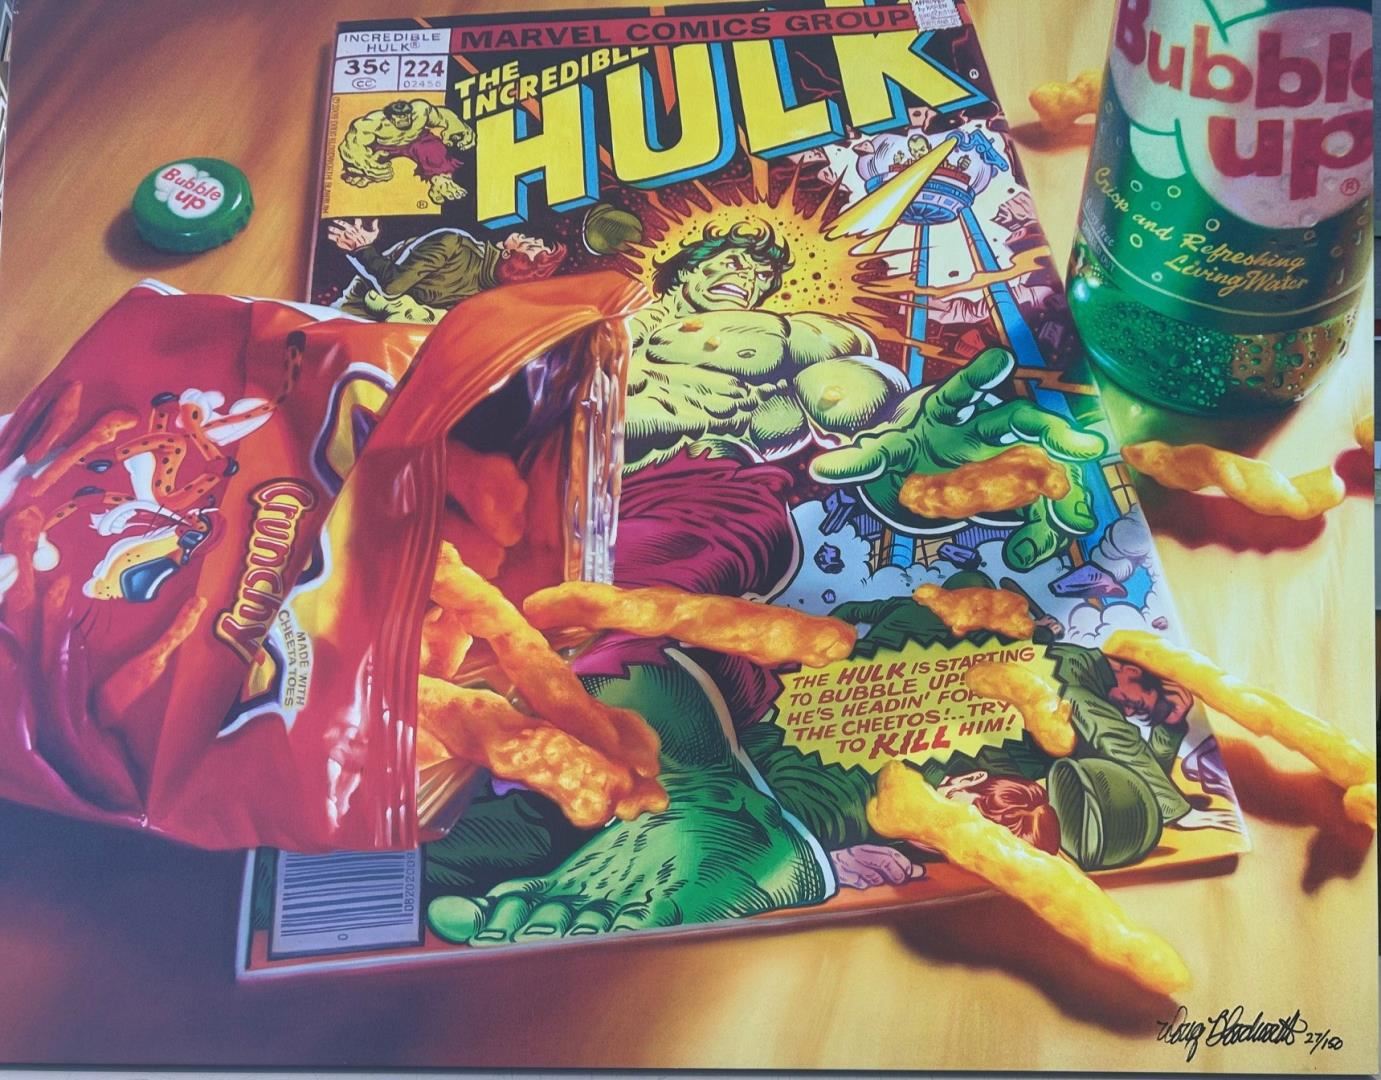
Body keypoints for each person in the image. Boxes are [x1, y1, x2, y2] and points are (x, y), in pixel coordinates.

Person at [326, 219, 566, 322]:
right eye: (539, 243)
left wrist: (363, 248)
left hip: (375, 331)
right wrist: (364, 250)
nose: (536, 239)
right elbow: (391, 286)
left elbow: (392, 286)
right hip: (354, 316)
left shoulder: (456, 244)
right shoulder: (458, 247)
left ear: (508, 257)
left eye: (532, 247)